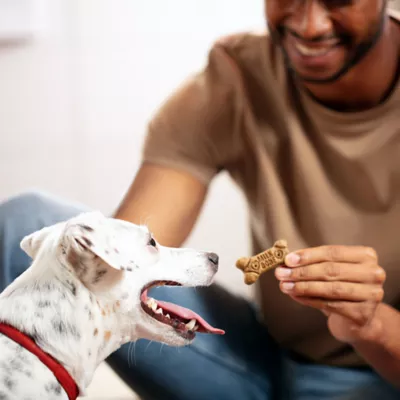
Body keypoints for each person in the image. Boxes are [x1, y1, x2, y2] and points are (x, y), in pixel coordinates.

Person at [1, 0, 400, 399]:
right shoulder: (237, 76)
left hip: (383, 374)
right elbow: (127, 263)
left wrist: (372, 325)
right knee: (25, 220)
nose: (310, 25)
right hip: (264, 360)